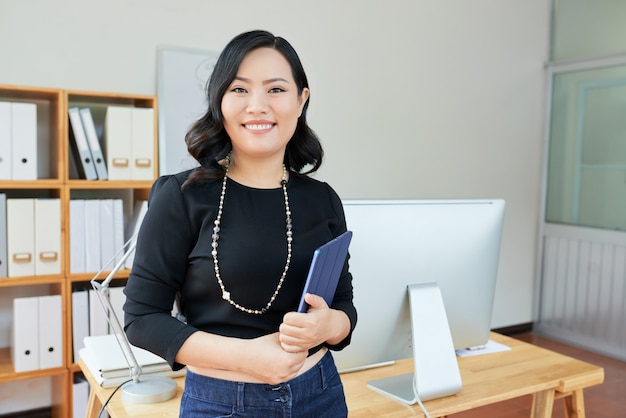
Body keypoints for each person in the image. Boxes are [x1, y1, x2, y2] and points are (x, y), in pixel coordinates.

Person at [123, 29, 357, 417]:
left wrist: (330, 325)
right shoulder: (180, 197)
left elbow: (345, 306)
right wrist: (247, 357)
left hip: (321, 394)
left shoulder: (323, 199)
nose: (258, 106)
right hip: (220, 402)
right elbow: (143, 319)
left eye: (276, 90)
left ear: (301, 101)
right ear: (219, 101)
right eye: (240, 89)